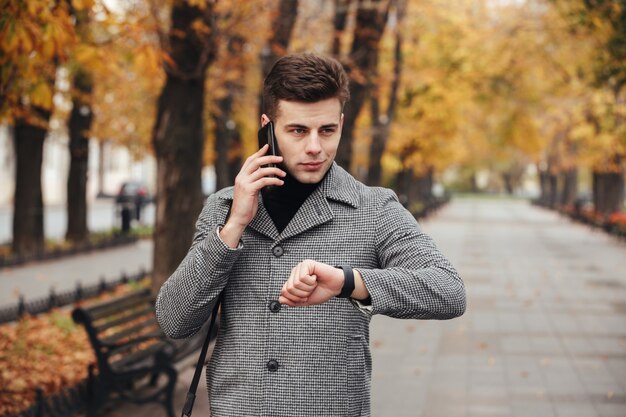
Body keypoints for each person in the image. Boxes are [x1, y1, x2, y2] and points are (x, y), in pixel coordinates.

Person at [156, 53, 465, 417]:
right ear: (267, 127)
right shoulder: (225, 208)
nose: (315, 148)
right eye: (298, 131)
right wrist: (233, 228)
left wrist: (349, 282)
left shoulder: (373, 209)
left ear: (341, 124)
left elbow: (448, 290)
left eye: (327, 130)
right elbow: (174, 320)